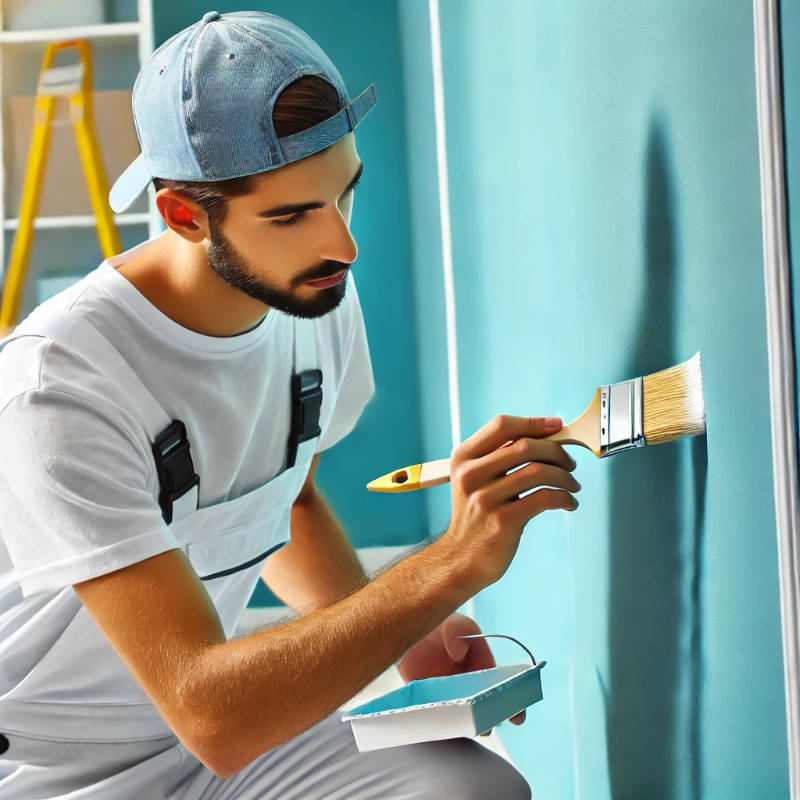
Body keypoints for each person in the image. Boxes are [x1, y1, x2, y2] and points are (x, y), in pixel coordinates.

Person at [0, 10, 580, 798]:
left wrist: (404, 636)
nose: (343, 245)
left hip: (213, 752)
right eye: (291, 214)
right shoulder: (59, 390)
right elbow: (214, 713)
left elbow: (288, 494)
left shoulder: (315, 294)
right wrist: (444, 569)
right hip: (57, 775)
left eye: (343, 193)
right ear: (182, 215)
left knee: (472, 787)